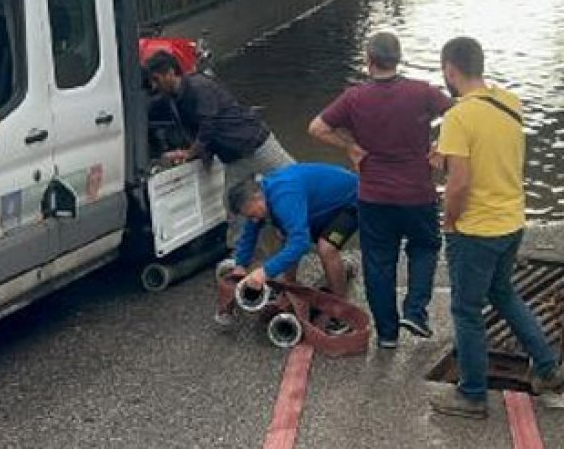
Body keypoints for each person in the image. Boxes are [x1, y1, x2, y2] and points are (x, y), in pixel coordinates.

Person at [428, 37, 564, 420]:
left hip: (476, 229)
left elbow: (458, 184)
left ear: (450, 70)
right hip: (511, 220)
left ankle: (472, 394)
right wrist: (446, 157)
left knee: (467, 311)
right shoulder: (509, 102)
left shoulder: (458, 117)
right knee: (503, 294)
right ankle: (547, 367)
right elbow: (490, 153)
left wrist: (450, 221)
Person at [309, 32, 450, 348]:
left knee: (378, 261)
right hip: (417, 194)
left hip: (374, 197)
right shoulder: (422, 92)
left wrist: (352, 146)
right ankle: (414, 310)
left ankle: (387, 334)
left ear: (368, 60)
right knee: (425, 247)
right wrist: (441, 147)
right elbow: (460, 114)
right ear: (398, 58)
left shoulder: (354, 97)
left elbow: (316, 128)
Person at [144, 51, 294, 202]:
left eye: (157, 79)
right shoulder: (173, 99)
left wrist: (190, 153)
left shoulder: (199, 87)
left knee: (294, 181)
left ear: (170, 73)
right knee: (233, 204)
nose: (154, 85)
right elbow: (197, 130)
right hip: (234, 157)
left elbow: (208, 125)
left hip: (255, 145)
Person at [229, 164, 358, 305]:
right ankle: (289, 286)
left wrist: (265, 272)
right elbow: (250, 232)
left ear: (257, 197)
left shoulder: (284, 197)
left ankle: (341, 307)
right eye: (249, 216)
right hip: (323, 204)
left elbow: (301, 243)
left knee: (326, 247)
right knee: (286, 234)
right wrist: (240, 264)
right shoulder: (263, 195)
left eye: (253, 214)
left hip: (353, 200)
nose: (254, 220)